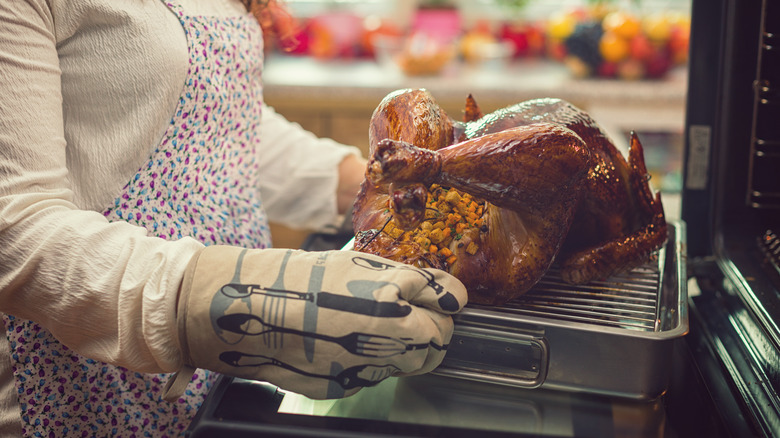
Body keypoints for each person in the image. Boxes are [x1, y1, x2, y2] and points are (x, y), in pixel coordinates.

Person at [0, 1, 468, 436]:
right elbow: (15, 226)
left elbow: (220, 120)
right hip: (78, 363)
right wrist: (206, 299)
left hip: (229, 352)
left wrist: (373, 186)